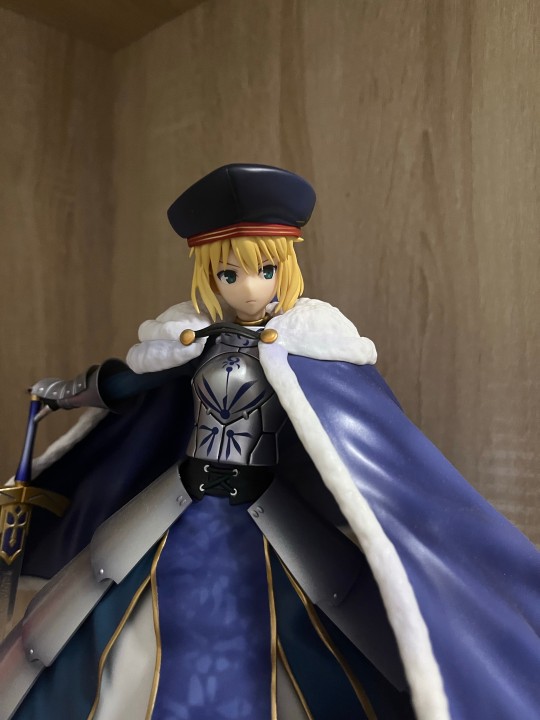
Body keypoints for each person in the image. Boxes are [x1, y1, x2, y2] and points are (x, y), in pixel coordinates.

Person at [0, 165, 539, 720]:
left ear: (286, 267)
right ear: (209, 276)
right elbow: (129, 382)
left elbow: (375, 439)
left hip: (259, 503)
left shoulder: (307, 346)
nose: (250, 288)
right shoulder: (193, 341)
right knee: (121, 595)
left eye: (265, 270)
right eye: (229, 274)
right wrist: (67, 392)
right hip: (182, 496)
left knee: (301, 617)